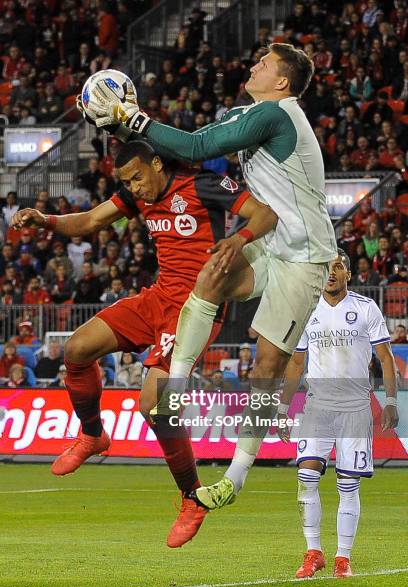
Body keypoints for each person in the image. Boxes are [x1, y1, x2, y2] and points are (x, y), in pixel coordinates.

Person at [87, 43, 337, 508]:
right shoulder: (249, 113)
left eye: (263, 64)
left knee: (267, 368)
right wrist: (126, 126)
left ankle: (237, 476)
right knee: (210, 275)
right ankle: (174, 387)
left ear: (282, 82)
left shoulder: (278, 114)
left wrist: (136, 117)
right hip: (270, 241)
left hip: (305, 255)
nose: (253, 65)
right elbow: (192, 142)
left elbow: (198, 148)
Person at [12, 139, 277, 548]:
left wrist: (238, 240)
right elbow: (88, 222)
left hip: (194, 308)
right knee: (76, 349)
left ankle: (192, 498)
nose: (133, 187)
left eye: (137, 177)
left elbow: (264, 213)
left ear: (157, 163)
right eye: (126, 181)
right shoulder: (137, 197)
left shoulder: (203, 184)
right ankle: (93, 435)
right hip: (157, 297)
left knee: (155, 405)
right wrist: (44, 220)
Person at [276, 250, 398, 578]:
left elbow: (385, 358)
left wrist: (391, 401)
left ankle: (343, 557)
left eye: (338, 267)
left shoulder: (365, 308)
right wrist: (284, 408)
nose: (331, 273)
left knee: (348, 484)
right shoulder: (307, 309)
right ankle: (313, 552)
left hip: (356, 407)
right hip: (317, 405)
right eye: (326, 268)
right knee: (306, 476)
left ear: (347, 273)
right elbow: (297, 362)